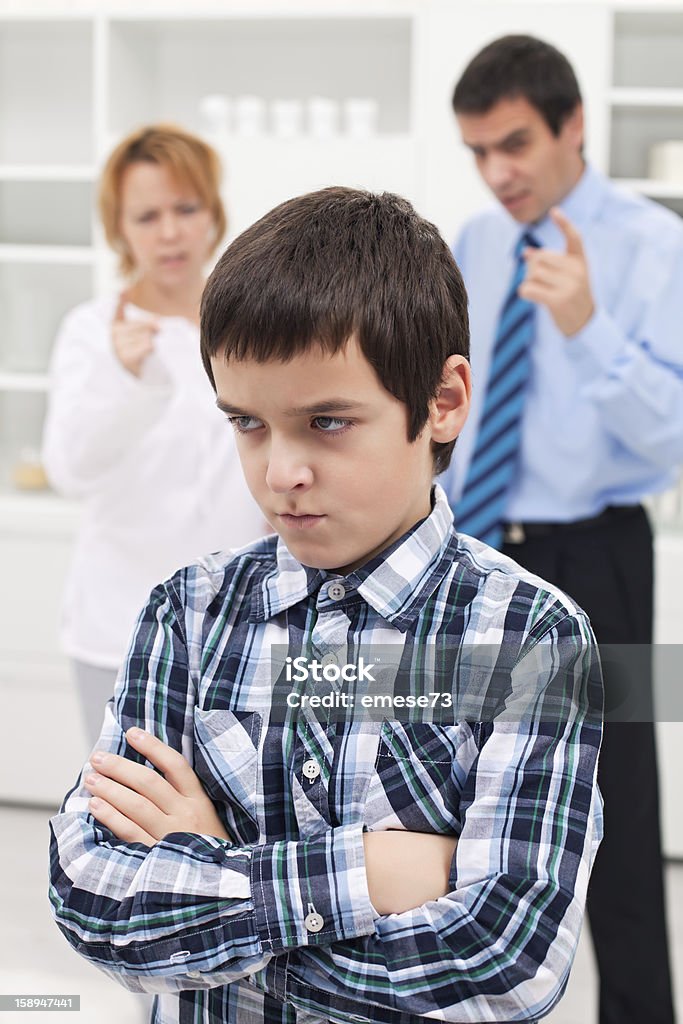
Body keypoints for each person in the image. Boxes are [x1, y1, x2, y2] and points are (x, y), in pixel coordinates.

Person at [49, 186, 603, 1024]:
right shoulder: (186, 615)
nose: (280, 474)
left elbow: (502, 963)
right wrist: (379, 873)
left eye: (328, 422)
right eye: (247, 423)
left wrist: (212, 870)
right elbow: (96, 901)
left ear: (442, 402)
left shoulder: (531, 638)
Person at [441, 34, 683, 1024]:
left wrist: (585, 323)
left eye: (513, 144)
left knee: (616, 812)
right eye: (477, 152)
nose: (497, 173)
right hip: (477, 543)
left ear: (571, 126)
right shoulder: (474, 239)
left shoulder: (648, 245)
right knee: (461, 794)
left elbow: (668, 439)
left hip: (594, 552)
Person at [42, 124, 263, 745]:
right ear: (120, 230)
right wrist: (129, 382)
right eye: (146, 216)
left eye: (185, 209)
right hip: (119, 621)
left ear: (212, 214)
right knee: (124, 814)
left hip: (236, 619)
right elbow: (69, 469)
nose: (169, 232)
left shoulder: (250, 326)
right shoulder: (93, 331)